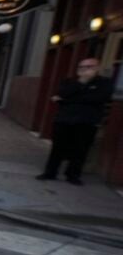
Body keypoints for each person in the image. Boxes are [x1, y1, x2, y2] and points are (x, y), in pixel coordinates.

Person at [36, 57, 113, 185]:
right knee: (58, 148)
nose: (84, 70)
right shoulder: (70, 81)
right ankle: (50, 172)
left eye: (89, 67)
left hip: (87, 122)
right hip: (64, 120)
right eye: (82, 67)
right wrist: (81, 83)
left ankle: (73, 175)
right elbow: (61, 94)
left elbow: (98, 98)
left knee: (81, 150)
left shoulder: (104, 83)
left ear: (97, 68)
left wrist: (67, 100)